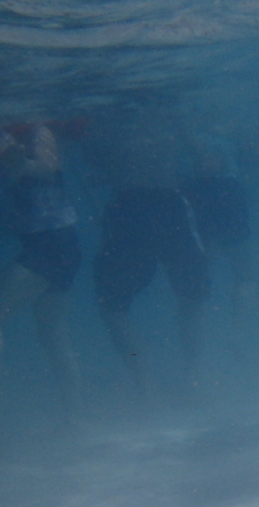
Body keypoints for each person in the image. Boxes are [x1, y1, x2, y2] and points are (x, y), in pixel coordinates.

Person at [0, 121, 84, 430]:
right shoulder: (14, 131)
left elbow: (43, 167)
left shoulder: (38, 128)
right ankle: (75, 415)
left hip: (49, 244)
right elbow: (5, 169)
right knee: (52, 332)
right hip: (58, 244)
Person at [87, 109, 209, 399]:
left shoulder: (106, 119)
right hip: (160, 204)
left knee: (114, 305)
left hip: (134, 206)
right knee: (190, 295)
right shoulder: (169, 114)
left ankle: (153, 386)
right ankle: (185, 377)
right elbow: (202, 158)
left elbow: (94, 167)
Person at [179, 144, 254, 346]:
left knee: (243, 276)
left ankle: (236, 333)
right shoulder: (200, 184)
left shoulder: (227, 184)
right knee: (201, 285)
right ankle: (200, 341)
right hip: (213, 235)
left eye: (212, 157)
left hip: (224, 232)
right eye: (204, 158)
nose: (207, 162)